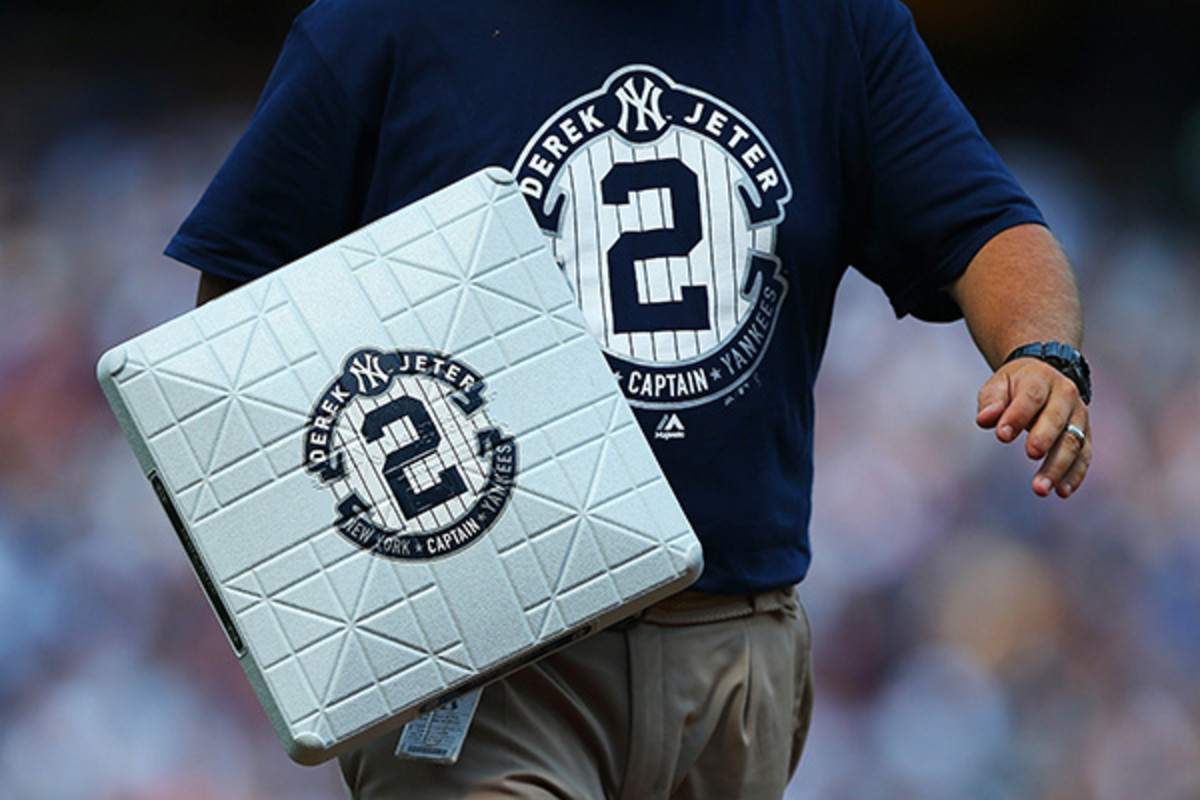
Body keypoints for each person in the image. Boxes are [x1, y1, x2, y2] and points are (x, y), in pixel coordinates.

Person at [167, 0, 1092, 797]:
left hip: (733, 646)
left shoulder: (831, 21)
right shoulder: (386, 21)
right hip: (484, 650)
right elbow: (241, 310)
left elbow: (986, 224)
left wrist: (1041, 352)